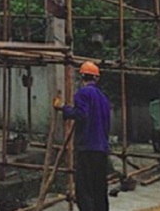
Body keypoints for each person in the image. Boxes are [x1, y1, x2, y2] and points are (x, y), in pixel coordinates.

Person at [54, 61, 111, 211]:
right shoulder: (104, 98)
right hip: (102, 149)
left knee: (84, 189)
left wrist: (63, 108)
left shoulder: (83, 93)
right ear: (96, 78)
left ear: (82, 77)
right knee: (99, 188)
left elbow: (81, 114)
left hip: (88, 148)